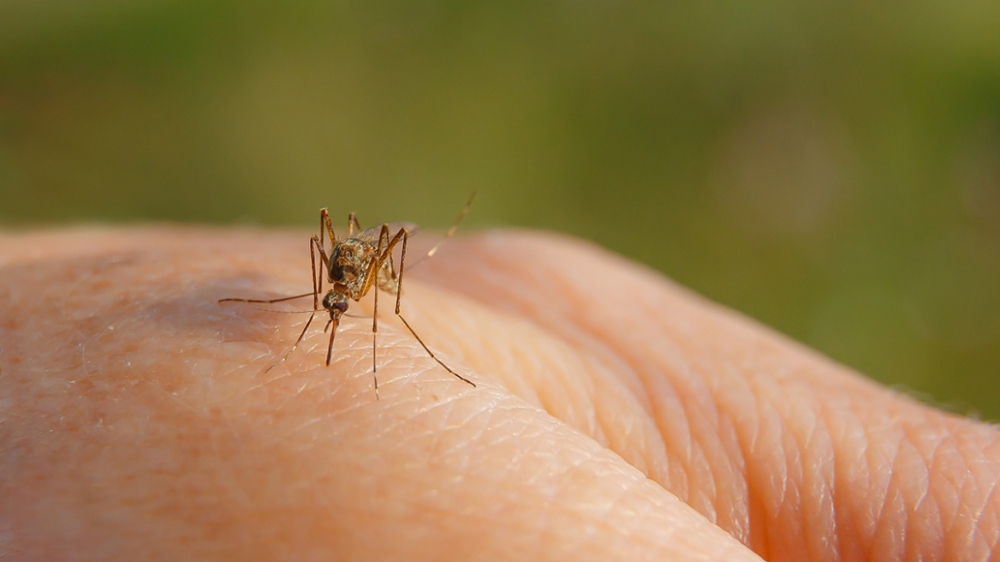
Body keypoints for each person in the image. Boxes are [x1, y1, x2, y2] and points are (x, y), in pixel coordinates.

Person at [2, 227, 997, 561]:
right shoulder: (331, 265)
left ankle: (392, 325)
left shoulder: (374, 273)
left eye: (343, 294)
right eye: (341, 294)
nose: (342, 295)